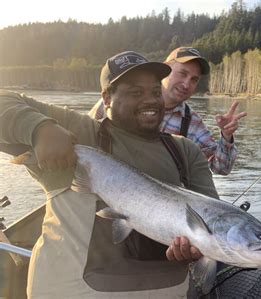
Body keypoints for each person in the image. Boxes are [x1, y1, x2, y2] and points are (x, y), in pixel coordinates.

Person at [0, 51, 218, 298]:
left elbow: (214, 216)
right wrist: (39, 128)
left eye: (156, 92)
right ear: (106, 98)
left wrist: (200, 247)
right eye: (136, 93)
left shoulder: (186, 151)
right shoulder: (80, 131)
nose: (150, 100)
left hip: (169, 291)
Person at [89, 47, 247, 175]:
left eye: (194, 79)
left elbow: (221, 168)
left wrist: (226, 137)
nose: (186, 84)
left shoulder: (192, 123)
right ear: (167, 68)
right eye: (183, 74)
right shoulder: (114, 103)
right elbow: (84, 141)